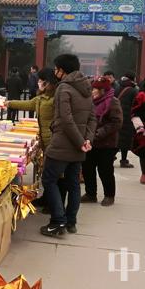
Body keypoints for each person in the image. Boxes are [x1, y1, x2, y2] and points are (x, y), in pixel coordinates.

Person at [40, 54, 96, 237]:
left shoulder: (64, 88)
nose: (55, 72)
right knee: (73, 184)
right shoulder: (86, 87)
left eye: (56, 69)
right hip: (78, 147)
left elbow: (65, 119)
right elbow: (92, 118)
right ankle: (71, 221)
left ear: (62, 70)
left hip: (62, 144)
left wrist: (81, 142)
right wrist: (86, 140)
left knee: (49, 180)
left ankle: (58, 222)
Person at [81, 77, 123, 206]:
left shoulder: (113, 101)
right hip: (90, 141)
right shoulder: (89, 101)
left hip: (107, 143)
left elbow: (117, 122)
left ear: (103, 90)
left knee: (105, 170)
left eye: (96, 89)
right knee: (88, 168)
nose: (93, 91)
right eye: (92, 88)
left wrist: (99, 133)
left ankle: (109, 195)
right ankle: (90, 194)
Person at [117, 72, 138, 168]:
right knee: (125, 140)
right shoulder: (133, 90)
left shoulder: (117, 87)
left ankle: (111, 157)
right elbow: (136, 104)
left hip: (117, 115)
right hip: (127, 118)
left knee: (117, 138)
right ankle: (123, 160)